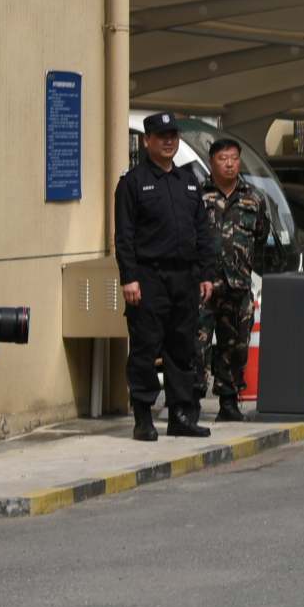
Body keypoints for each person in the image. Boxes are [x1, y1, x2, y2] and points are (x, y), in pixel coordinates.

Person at [114, 113, 218, 442]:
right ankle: (143, 416)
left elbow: (201, 230)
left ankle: (181, 415)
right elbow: (124, 236)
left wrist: (205, 273)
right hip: (149, 277)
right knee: (145, 348)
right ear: (147, 141)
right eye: (162, 136)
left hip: (184, 277)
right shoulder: (133, 182)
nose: (169, 141)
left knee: (182, 348)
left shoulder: (187, 181)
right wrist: (129, 277)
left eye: (173, 135)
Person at [199, 138, 268, 423]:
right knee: (196, 345)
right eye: (223, 158)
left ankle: (228, 401)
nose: (229, 164)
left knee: (236, 346)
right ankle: (190, 401)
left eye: (234, 158)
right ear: (212, 162)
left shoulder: (254, 198)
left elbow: (261, 238)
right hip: (203, 286)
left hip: (238, 286)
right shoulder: (197, 195)